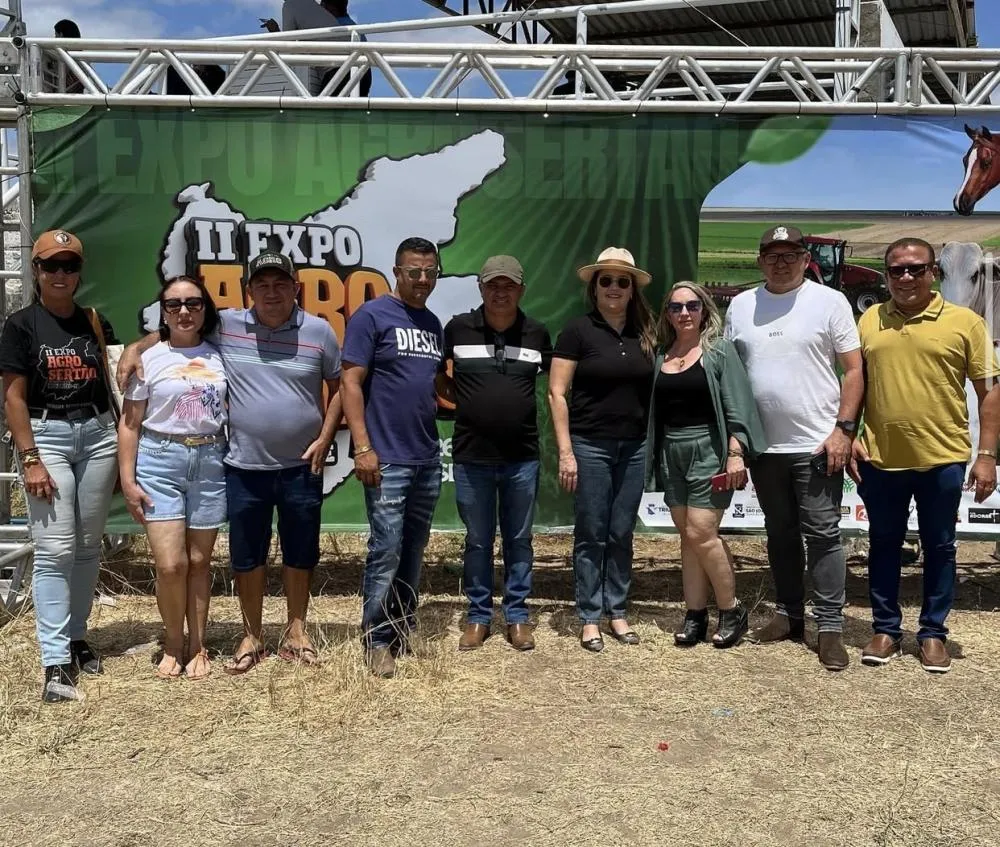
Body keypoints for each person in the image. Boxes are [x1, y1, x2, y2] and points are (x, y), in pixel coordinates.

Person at [117, 250, 342, 673]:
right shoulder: (227, 326)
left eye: (280, 284)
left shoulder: (319, 331)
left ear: (296, 288)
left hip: (300, 465)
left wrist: (326, 437)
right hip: (242, 465)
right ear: (248, 290)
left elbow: (340, 384)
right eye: (262, 284)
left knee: (300, 552)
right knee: (246, 555)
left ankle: (297, 633)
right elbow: (178, 331)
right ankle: (251, 635)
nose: (271, 292)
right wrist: (136, 347)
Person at [851, 238, 1000, 674]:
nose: (906, 277)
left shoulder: (966, 323)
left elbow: (989, 394)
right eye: (896, 269)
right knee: (883, 545)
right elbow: (856, 381)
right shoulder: (870, 319)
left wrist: (987, 455)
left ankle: (933, 633)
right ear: (886, 275)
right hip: (881, 458)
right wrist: (849, 431)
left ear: (933, 273)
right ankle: (885, 629)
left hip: (942, 458)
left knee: (940, 547)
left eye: (916, 269)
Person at [724, 226, 864, 672]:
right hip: (764, 447)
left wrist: (844, 430)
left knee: (822, 535)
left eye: (790, 255)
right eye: (772, 255)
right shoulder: (741, 306)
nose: (781, 263)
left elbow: (854, 370)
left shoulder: (830, 301)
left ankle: (829, 627)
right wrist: (738, 439)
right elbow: (732, 377)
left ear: (806, 260)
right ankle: (789, 614)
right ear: (760, 261)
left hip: (816, 444)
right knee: (780, 533)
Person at [0, 230, 119, 703]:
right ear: (36, 270)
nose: (60, 274)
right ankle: (54, 661)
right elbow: (12, 398)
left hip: (99, 434)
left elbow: (117, 376)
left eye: (69, 266)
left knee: (88, 547)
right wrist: (30, 458)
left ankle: (75, 638)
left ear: (79, 273)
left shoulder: (94, 322)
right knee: (54, 549)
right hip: (46, 435)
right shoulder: (20, 325)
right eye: (51, 265)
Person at [341, 237, 446, 678]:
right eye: (413, 272)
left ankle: (403, 625)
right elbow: (350, 382)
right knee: (385, 549)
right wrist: (363, 447)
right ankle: (377, 639)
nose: (422, 279)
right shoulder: (371, 316)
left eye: (430, 272)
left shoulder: (433, 323)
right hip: (386, 458)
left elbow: (431, 386)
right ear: (397, 272)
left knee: (414, 549)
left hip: (426, 457)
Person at [646, 282, 767, 648]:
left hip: (709, 450)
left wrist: (736, 452)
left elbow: (738, 405)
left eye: (692, 306)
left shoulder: (719, 351)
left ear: (704, 310)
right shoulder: (661, 354)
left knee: (701, 532)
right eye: (676, 307)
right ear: (667, 314)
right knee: (687, 535)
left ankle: (731, 609)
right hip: (671, 450)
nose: (684, 313)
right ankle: (695, 614)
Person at [441, 256, 553, 652]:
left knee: (519, 539)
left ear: (522, 289)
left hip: (522, 456)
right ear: (481, 288)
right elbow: (439, 378)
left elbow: (556, 384)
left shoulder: (537, 333)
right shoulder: (457, 329)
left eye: (508, 285)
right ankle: (478, 616)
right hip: (471, 455)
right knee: (477, 540)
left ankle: (518, 616)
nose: (500, 292)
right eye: (493, 284)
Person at [548, 247, 656, 653]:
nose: (614, 287)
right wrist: (566, 452)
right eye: (606, 280)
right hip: (590, 445)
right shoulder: (577, 331)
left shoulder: (647, 333)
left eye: (622, 281)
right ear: (594, 288)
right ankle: (590, 616)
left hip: (635, 447)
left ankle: (618, 611)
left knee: (621, 531)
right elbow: (557, 394)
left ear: (632, 290)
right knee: (592, 532)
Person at [118, 277, 227, 681]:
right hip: (159, 460)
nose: (184, 311)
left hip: (211, 460)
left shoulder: (221, 352)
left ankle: (198, 644)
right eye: (174, 305)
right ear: (162, 312)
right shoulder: (148, 358)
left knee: (198, 562)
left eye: (193, 303)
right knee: (170, 565)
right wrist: (127, 480)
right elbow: (130, 424)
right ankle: (172, 643)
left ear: (205, 309)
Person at [261, 0, 373, 97]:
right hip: (363, 74)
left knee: (323, 113)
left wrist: (275, 32)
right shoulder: (312, 6)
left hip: (340, 72)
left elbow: (287, 47)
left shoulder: (290, 5)